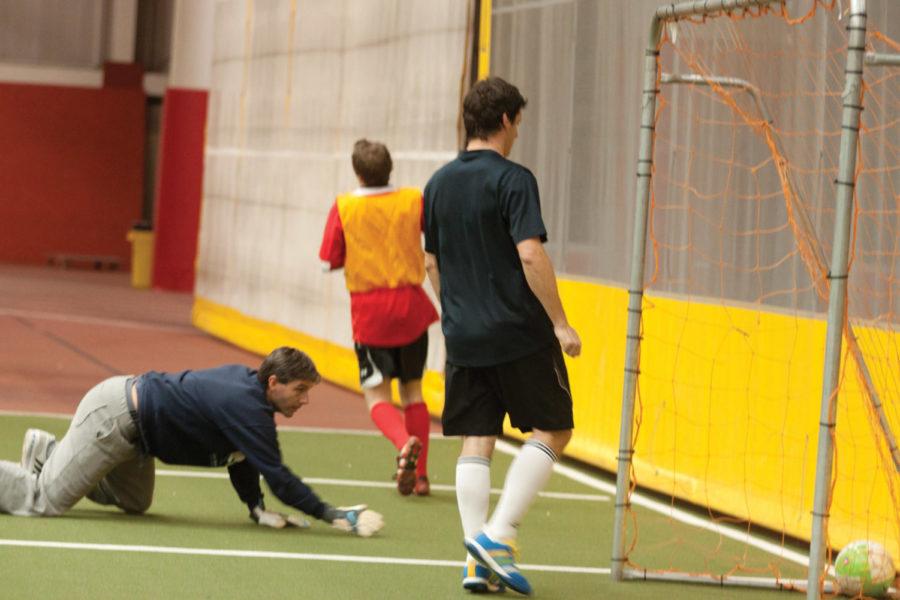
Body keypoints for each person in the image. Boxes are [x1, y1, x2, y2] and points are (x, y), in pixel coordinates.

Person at [423, 77, 582, 596]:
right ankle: (499, 534)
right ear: (508, 120)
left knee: (478, 437)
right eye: (520, 123)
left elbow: (431, 261)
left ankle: (474, 561)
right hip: (517, 331)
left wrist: (457, 311)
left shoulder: (438, 183)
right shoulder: (514, 179)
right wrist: (559, 323)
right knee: (554, 429)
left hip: (464, 335)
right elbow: (530, 252)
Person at [0, 347, 384, 537]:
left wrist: (256, 507)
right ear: (273, 383)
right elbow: (278, 475)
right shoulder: (246, 407)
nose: (304, 400)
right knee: (43, 501)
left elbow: (242, 457)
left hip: (135, 438)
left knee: (136, 502)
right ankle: (50, 467)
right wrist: (335, 515)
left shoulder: (250, 399)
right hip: (113, 419)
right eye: (299, 390)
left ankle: (48, 452)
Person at [319, 139, 439, 497]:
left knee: (376, 395)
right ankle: (420, 476)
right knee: (413, 390)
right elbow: (433, 237)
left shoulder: (345, 207)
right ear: (391, 169)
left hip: (371, 313)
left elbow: (328, 260)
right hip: (412, 307)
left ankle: (403, 444)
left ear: (357, 172)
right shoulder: (413, 200)